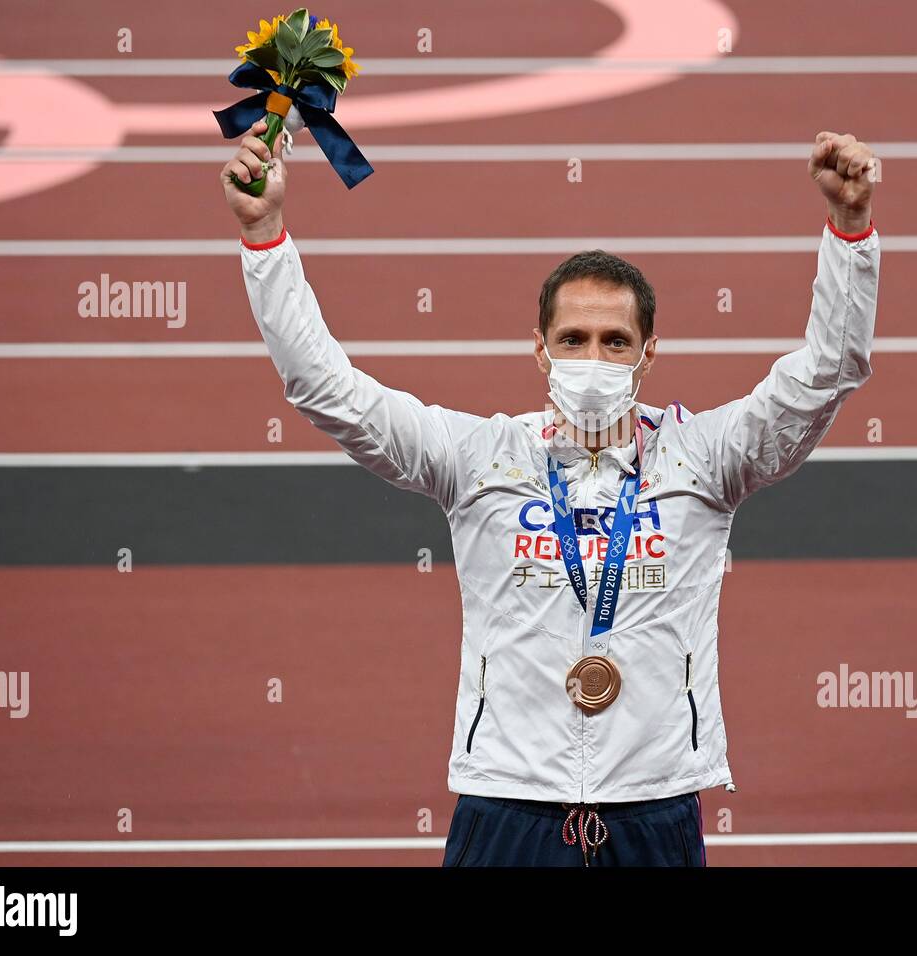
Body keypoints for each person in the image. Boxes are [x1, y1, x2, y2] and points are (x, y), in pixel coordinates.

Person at [222, 125, 880, 867]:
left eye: (613, 341)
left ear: (647, 354)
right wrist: (265, 235)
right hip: (506, 807)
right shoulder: (477, 458)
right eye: (572, 339)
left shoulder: (705, 460)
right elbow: (326, 388)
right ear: (539, 349)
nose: (591, 358)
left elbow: (828, 371)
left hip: (656, 807)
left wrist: (850, 232)